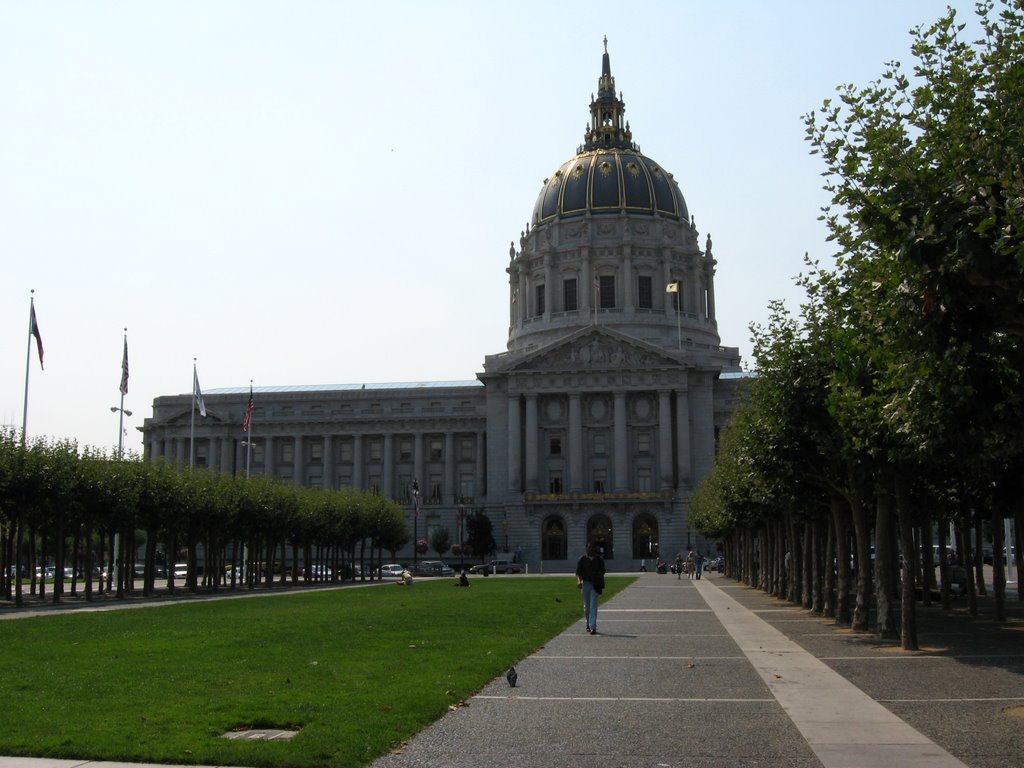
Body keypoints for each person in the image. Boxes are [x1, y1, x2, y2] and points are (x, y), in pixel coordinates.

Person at [575, 541, 606, 635]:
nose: (590, 549)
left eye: (592, 547)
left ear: (595, 549)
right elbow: (578, 573)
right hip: (585, 585)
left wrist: (596, 576)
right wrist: (579, 581)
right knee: (586, 607)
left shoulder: (599, 559)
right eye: (589, 547)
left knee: (593, 605)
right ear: (586, 548)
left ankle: (593, 627)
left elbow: (603, 571)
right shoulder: (582, 559)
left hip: (595, 585)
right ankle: (588, 623)